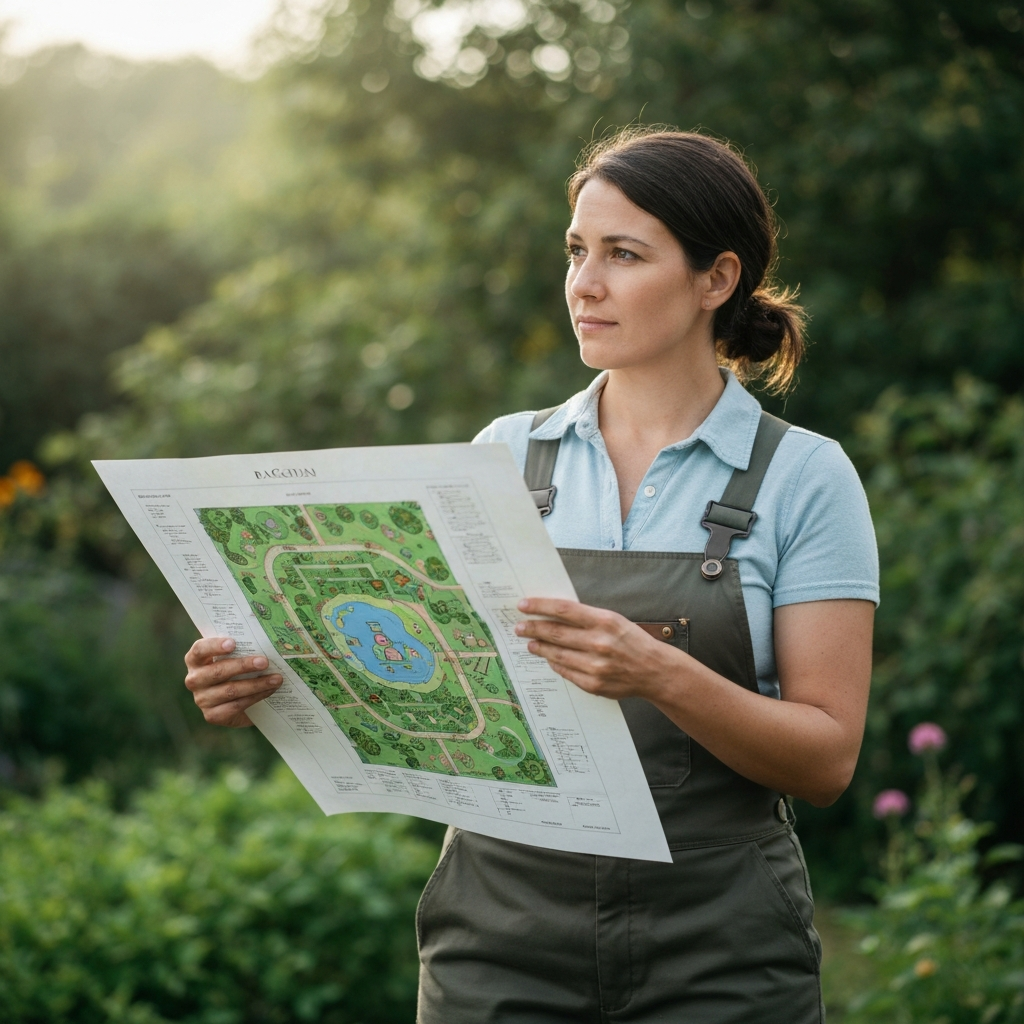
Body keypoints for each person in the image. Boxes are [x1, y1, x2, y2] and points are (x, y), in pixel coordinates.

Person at [183, 129, 878, 1023]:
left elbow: (826, 760)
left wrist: (658, 673)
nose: (584, 284)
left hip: (723, 941)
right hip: (498, 934)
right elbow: (424, 680)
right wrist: (267, 679)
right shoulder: (502, 455)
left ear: (718, 279)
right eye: (577, 250)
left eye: (624, 255)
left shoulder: (804, 478)